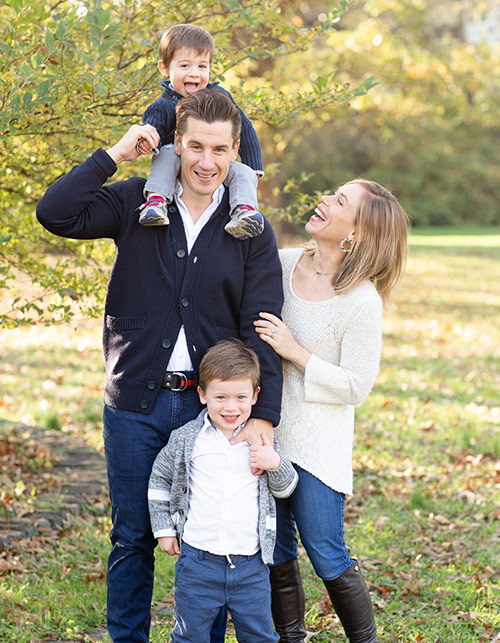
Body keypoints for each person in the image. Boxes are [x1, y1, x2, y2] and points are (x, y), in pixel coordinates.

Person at [36, 88, 284, 643]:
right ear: (177, 143)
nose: (206, 162)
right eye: (195, 146)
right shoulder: (135, 203)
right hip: (134, 404)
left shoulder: (250, 229)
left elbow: (260, 326)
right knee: (131, 537)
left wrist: (262, 413)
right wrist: (115, 154)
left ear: (235, 150)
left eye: (219, 150)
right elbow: (54, 212)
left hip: (216, 413)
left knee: (217, 540)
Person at [252, 179, 410, 643]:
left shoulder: (361, 301)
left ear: (355, 234)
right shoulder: (278, 264)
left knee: (324, 551)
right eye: (331, 193)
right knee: (275, 549)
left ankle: (365, 639)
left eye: (339, 201)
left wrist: (295, 352)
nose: (323, 200)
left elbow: (356, 386)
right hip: (267, 434)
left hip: (319, 449)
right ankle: (290, 637)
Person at [148, 339, 298, 642]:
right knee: (191, 636)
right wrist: (163, 529)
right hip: (198, 563)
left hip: (250, 565)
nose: (231, 407)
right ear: (202, 395)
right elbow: (159, 478)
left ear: (255, 396)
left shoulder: (262, 441)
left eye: (241, 397)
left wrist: (275, 463)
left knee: (259, 636)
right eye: (221, 397)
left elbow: (285, 489)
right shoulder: (188, 439)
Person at [137, 23, 264, 240]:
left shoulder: (220, 97)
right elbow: (152, 128)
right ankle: (156, 202)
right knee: (167, 155)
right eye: (185, 66)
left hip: (210, 164)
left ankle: (244, 212)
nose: (194, 74)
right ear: (165, 68)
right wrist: (147, 141)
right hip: (176, 160)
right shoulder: (164, 106)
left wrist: (254, 165)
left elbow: (245, 127)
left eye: (202, 67)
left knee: (243, 172)